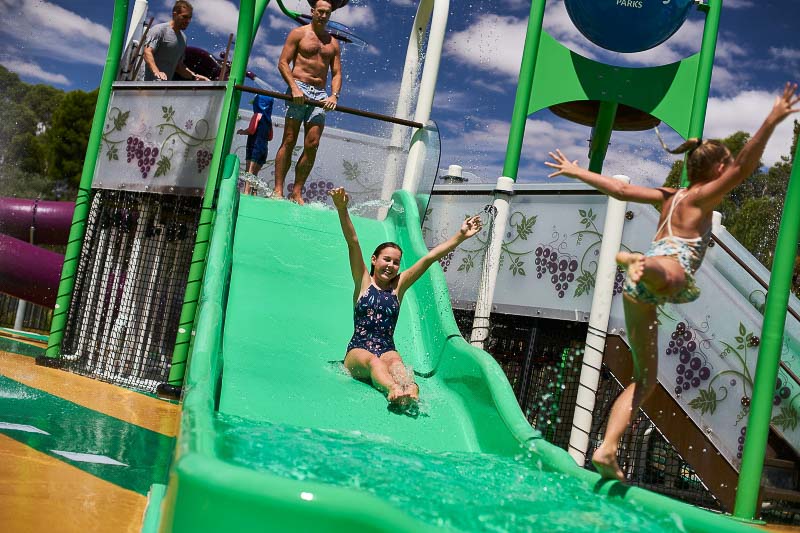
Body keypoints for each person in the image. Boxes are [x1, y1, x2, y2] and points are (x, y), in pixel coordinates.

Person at [544, 82, 800, 481]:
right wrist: (770, 120)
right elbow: (745, 168)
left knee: (645, 379)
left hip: (636, 292)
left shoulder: (669, 196)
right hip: (663, 270)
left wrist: (578, 171)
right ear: (716, 170)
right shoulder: (698, 199)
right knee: (675, 274)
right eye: (725, 166)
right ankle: (641, 262)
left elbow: (622, 188)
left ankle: (607, 449)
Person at [329, 187, 483, 407]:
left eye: (395, 262)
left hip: (387, 347)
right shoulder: (363, 281)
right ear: (374, 259)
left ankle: (410, 389)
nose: (391, 266)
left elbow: (429, 258)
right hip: (358, 350)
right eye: (386, 259)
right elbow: (353, 241)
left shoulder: (398, 287)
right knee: (374, 363)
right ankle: (392, 389)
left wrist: (460, 236)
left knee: (398, 366)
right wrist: (342, 209)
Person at [273, 0, 343, 204]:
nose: (323, 15)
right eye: (320, 11)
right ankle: (278, 189)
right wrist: (294, 87)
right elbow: (283, 62)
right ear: (313, 12)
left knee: (313, 143)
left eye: (327, 13)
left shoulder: (333, 42)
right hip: (299, 88)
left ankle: (296, 191)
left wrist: (334, 95)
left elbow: (337, 73)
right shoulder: (298, 33)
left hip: (320, 94)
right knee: (289, 139)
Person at [142, 1, 210, 82]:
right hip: (144, 85)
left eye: (190, 18)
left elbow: (179, 66)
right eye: (184, 17)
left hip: (162, 89)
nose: (188, 21)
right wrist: (157, 72)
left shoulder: (183, 39)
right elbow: (147, 52)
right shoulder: (159, 30)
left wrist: (195, 77)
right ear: (175, 14)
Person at [237, 94, 275, 195]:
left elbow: (251, 130)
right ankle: (254, 192)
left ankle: (246, 192)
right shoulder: (269, 120)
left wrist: (242, 131)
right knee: (255, 173)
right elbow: (270, 137)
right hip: (263, 149)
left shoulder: (257, 115)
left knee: (249, 171)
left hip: (254, 146)